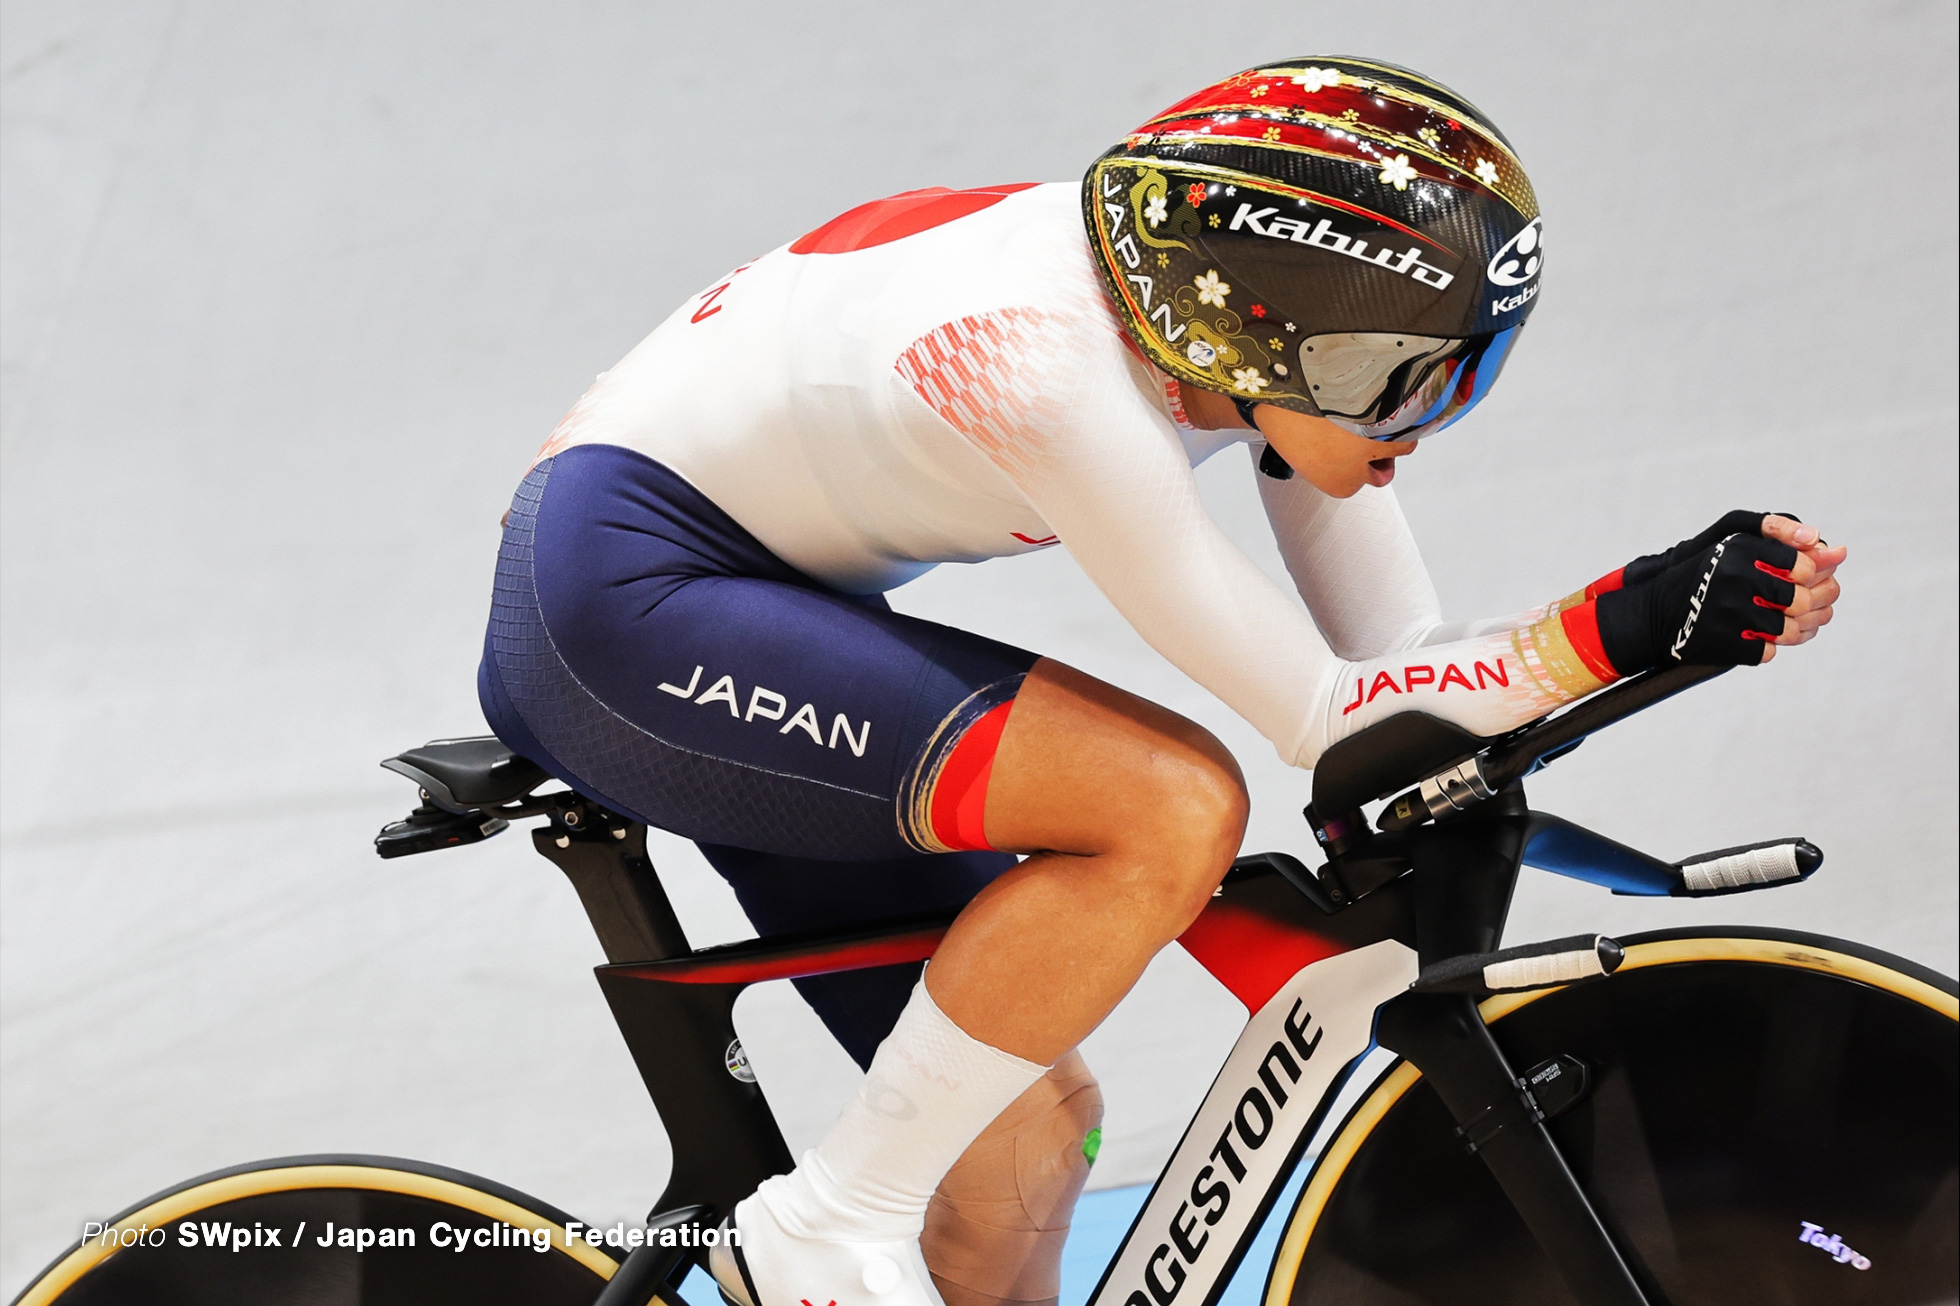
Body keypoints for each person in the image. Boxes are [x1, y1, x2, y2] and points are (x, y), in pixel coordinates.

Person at [476, 56, 1843, 1306]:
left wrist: (1653, 634)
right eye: (1402, 374)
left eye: (1467, 374)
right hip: (618, 609)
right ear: (1263, 332)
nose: (1425, 423)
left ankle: (852, 1213)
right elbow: (1322, 717)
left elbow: (1397, 691)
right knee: (1173, 801)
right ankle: (820, 1224)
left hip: (732, 606)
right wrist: (1624, 617)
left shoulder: (1216, 345)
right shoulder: (1040, 363)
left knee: (1020, 1134)